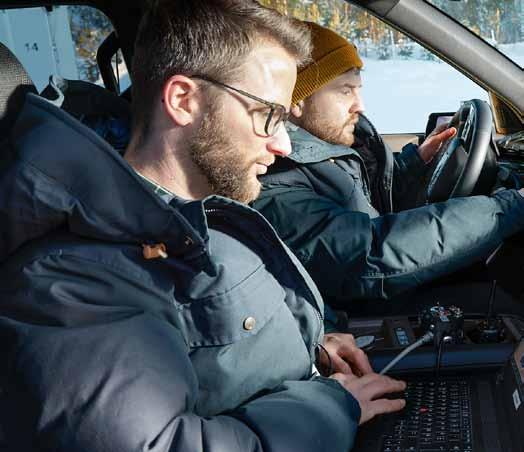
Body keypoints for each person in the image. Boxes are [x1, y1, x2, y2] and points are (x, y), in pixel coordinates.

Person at [0, 2, 406, 451]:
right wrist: (331, 407)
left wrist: (310, 344)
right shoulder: (74, 280)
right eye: (269, 115)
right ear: (183, 100)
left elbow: (212, 339)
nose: (284, 144)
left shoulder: (199, 209)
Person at [253, 21, 524, 315]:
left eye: (358, 89)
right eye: (345, 90)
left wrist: (416, 162)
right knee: (505, 305)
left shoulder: (328, 152)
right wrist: (507, 207)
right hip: (359, 312)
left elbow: (366, 201)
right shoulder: (275, 176)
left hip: (378, 289)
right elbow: (369, 255)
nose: (360, 105)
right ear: (296, 100)